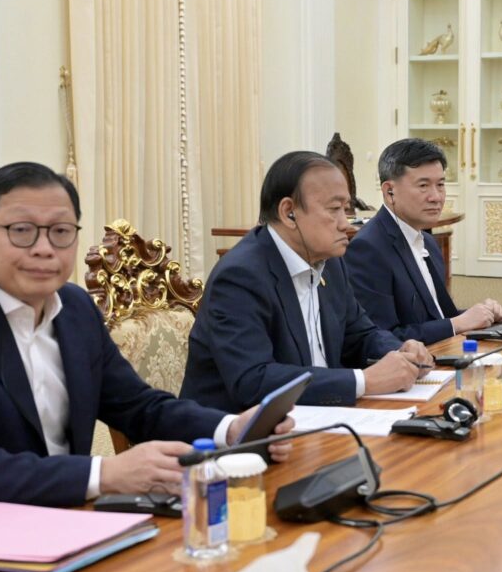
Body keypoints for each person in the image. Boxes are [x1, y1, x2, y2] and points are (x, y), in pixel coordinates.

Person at [0, 163, 293, 537]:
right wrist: (105, 473)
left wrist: (229, 429)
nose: (44, 248)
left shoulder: (75, 308)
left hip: (63, 526)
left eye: (61, 232)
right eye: (21, 230)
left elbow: (139, 407)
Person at [180, 151, 432, 413]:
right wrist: (363, 381)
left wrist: (401, 351)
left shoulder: (330, 262)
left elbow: (359, 335)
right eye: (334, 210)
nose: (345, 224)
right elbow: (253, 380)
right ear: (289, 212)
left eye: (346, 209)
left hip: (317, 416)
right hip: (241, 428)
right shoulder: (240, 276)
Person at [344, 138, 502, 344]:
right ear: (389, 192)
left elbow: (436, 316)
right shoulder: (368, 249)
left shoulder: (428, 242)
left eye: (440, 185)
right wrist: (457, 324)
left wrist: (482, 315)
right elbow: (379, 339)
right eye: (423, 186)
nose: (436, 197)